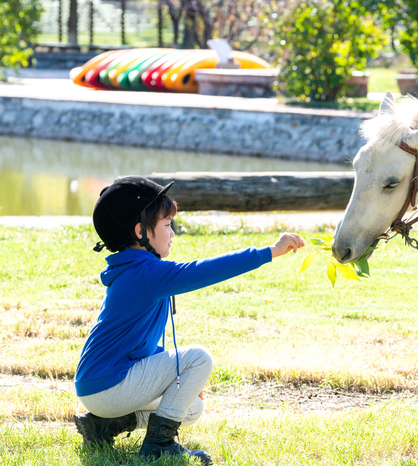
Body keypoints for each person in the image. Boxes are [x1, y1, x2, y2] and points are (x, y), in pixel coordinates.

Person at [73, 176, 304, 464]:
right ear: (140, 231)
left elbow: (136, 345)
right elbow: (204, 271)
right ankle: (159, 445)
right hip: (108, 386)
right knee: (198, 358)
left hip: (99, 388)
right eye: (167, 225)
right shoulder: (146, 273)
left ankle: (102, 425)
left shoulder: (135, 270)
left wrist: (174, 372)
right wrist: (269, 252)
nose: (172, 234)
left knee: (192, 406)